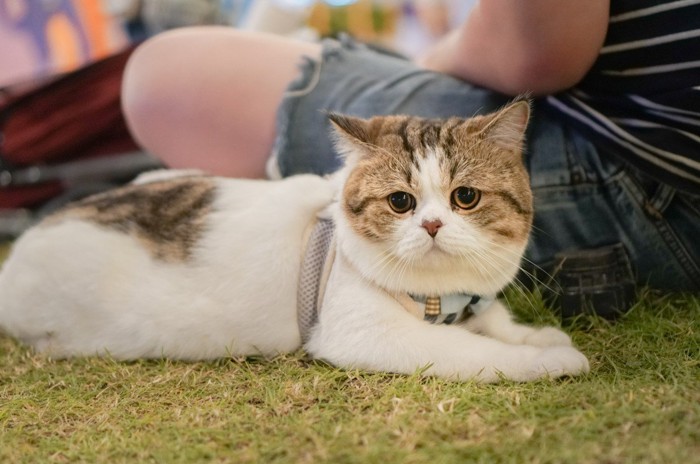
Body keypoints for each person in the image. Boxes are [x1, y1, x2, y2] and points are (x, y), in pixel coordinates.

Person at [120, 0, 700, 291]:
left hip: (642, 171)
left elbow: (536, 54)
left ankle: (195, 19)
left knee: (161, 76)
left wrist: (428, 62)